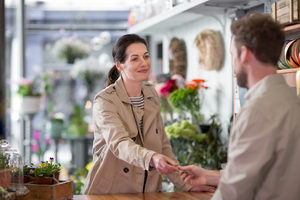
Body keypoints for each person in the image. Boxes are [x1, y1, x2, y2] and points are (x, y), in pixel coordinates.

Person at [179, 13, 300, 200]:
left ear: (244, 54)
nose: (234, 64)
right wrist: (209, 176)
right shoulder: (291, 101)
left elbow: (233, 193)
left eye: (233, 56)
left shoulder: (257, 111)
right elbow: (264, 172)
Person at [84, 34, 213, 194]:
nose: (144, 63)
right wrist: (152, 158)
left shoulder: (151, 94)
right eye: (135, 59)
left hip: (148, 192)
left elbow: (164, 146)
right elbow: (119, 144)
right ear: (119, 65)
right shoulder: (105, 101)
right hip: (110, 193)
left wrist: (185, 185)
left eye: (146, 56)